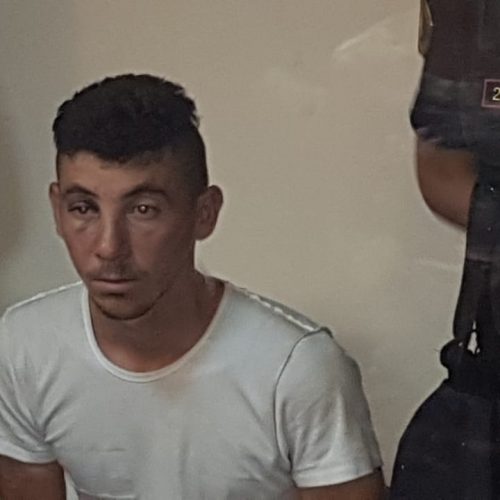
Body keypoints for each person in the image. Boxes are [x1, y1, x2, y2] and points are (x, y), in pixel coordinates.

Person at [0, 74, 384, 499]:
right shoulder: (25, 344)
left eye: (143, 209)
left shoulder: (297, 368)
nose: (108, 247)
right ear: (57, 210)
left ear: (204, 213)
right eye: (83, 208)